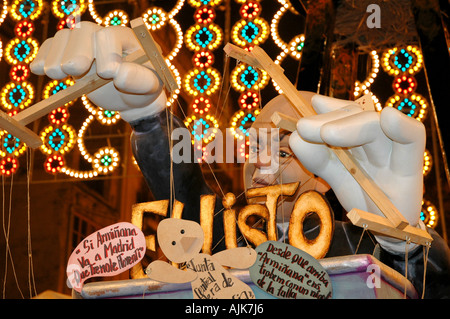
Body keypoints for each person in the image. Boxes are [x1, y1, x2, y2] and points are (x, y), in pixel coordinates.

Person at [31, 22, 450, 298]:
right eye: (256, 148)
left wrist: (402, 240)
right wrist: (147, 118)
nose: (263, 166)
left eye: (285, 152)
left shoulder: (361, 245)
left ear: (326, 178)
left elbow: (428, 284)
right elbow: (184, 190)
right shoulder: (223, 237)